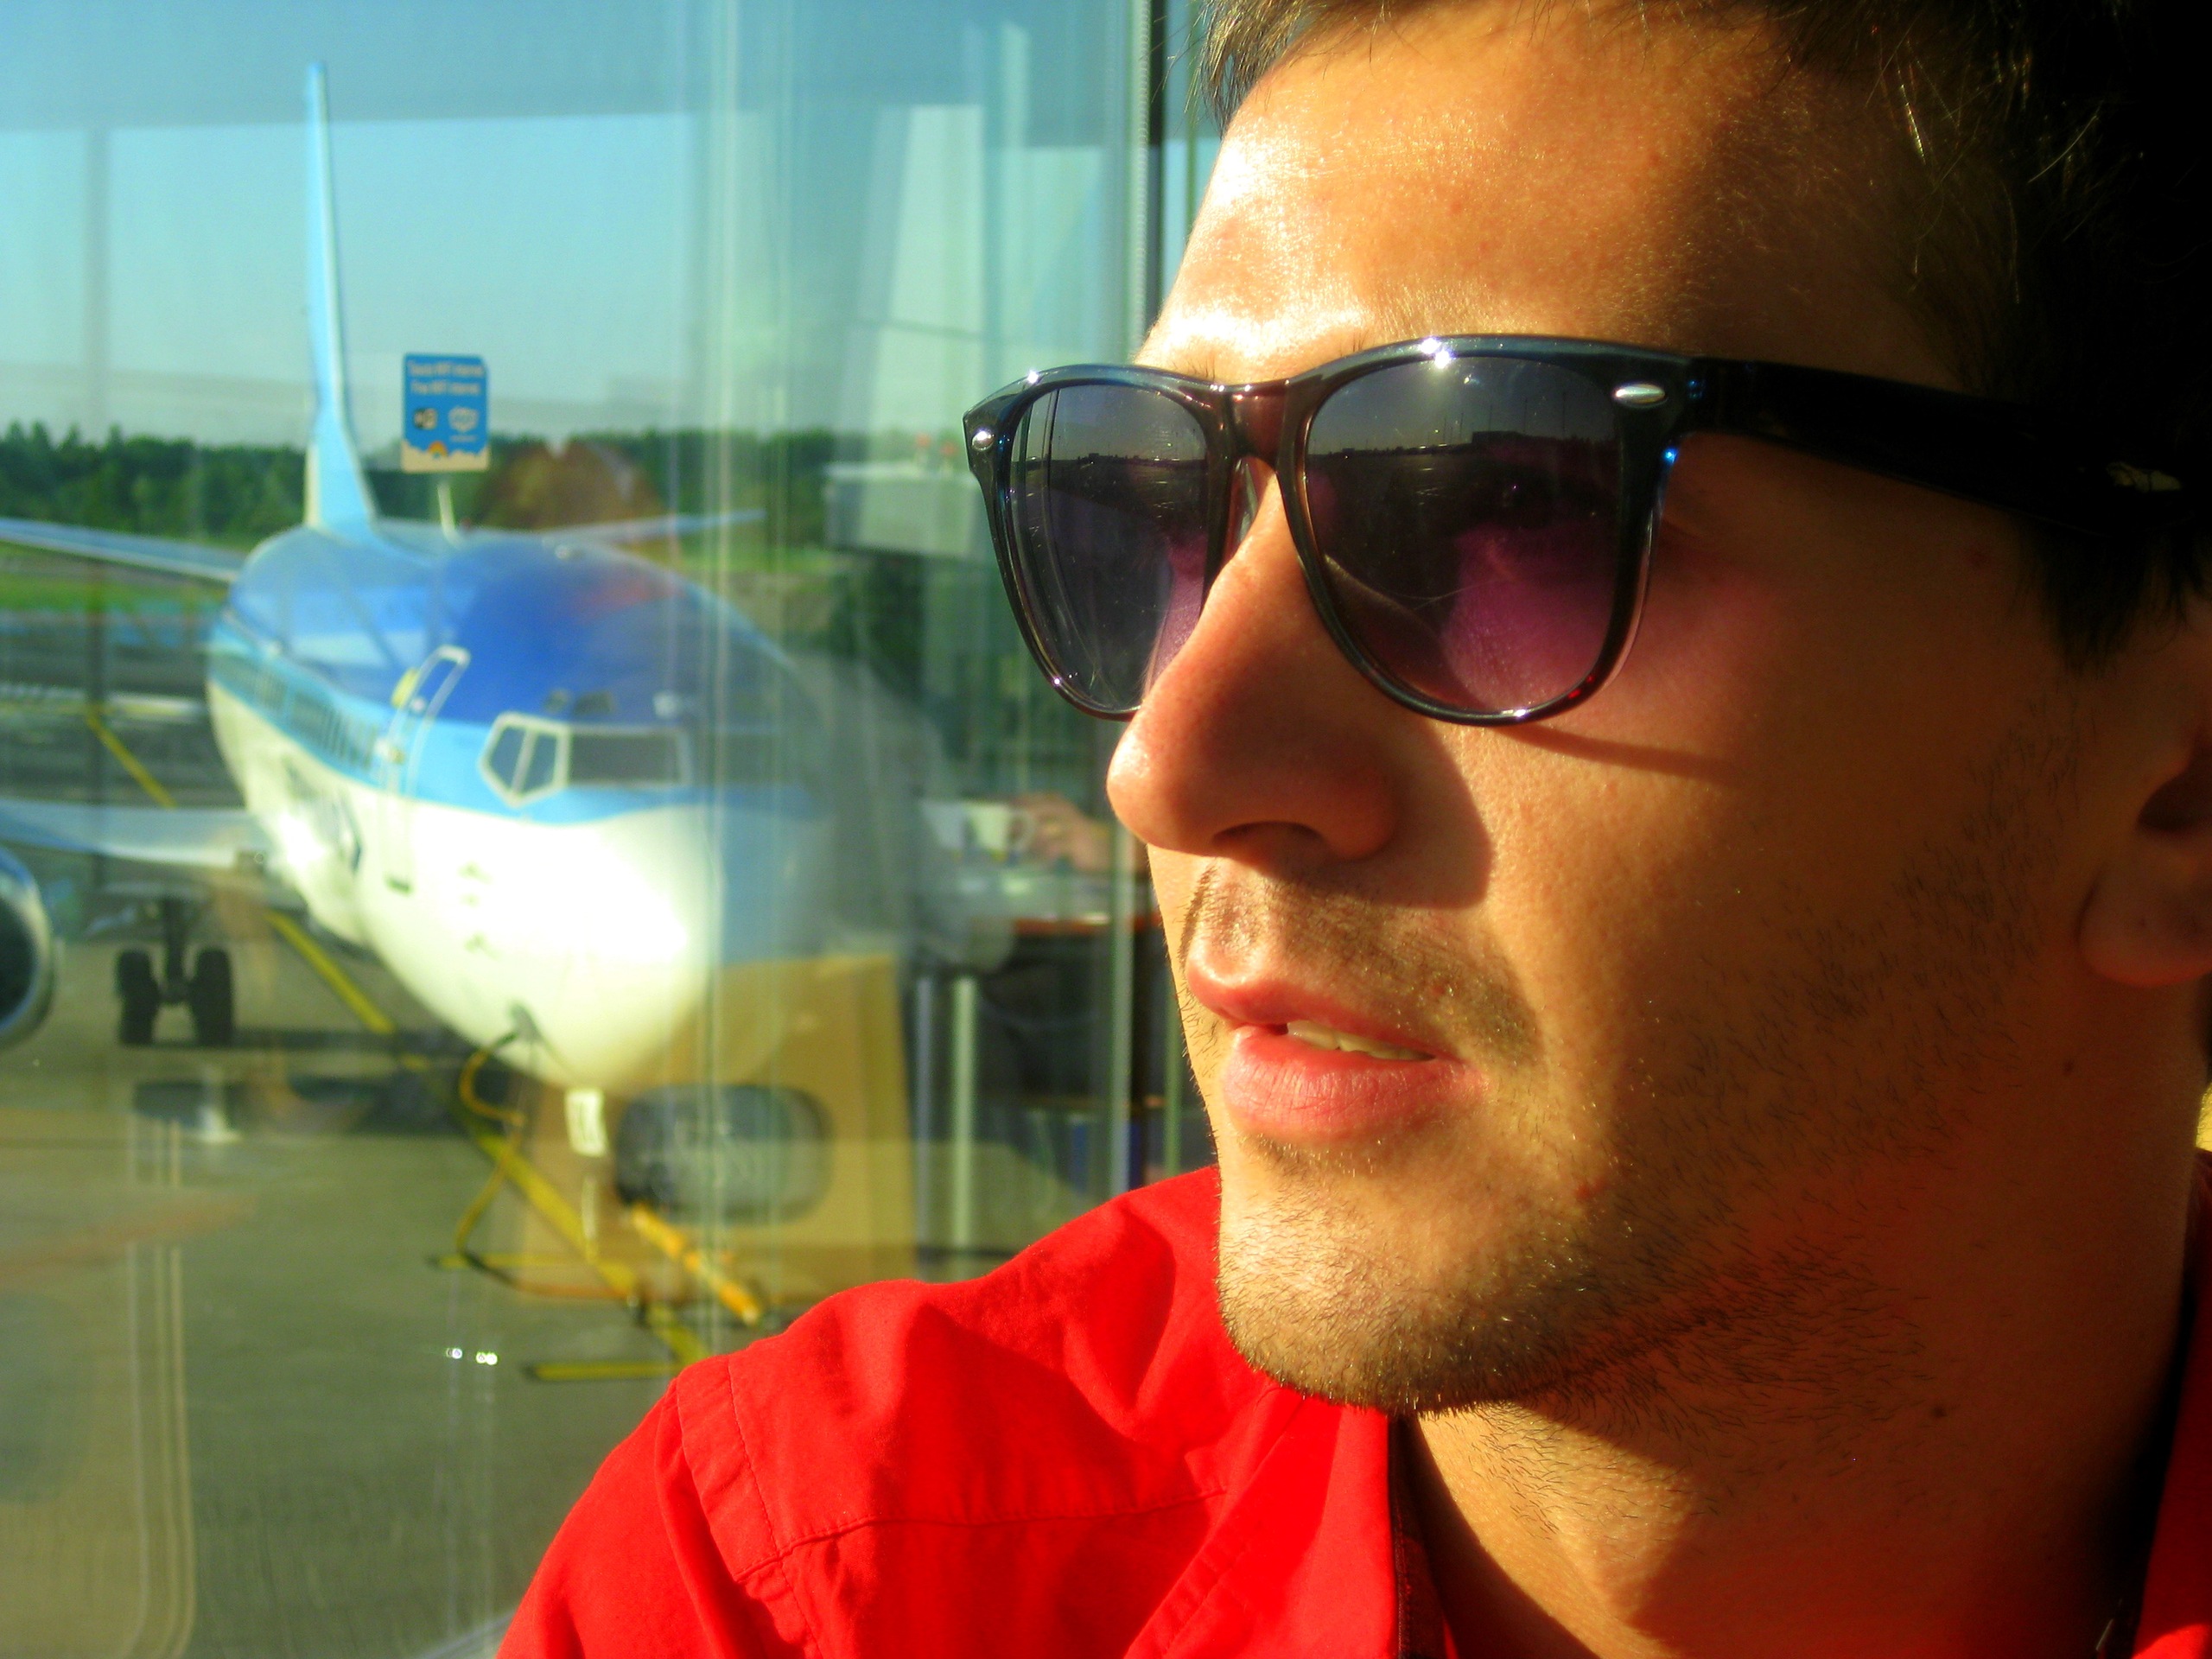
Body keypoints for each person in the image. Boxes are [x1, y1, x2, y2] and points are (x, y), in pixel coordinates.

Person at [503, 2, 2212, 1652]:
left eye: (1507, 509)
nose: (1163, 764)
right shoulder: (812, 1587)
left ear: (2179, 783)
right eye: (1140, 496)